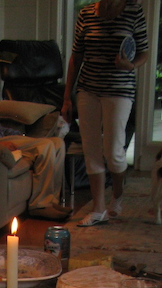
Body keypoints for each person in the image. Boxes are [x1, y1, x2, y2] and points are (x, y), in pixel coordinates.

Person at [61, 0, 149, 226]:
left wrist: (131, 65)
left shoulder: (133, 10)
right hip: (87, 89)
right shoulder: (86, 14)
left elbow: (144, 52)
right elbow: (76, 57)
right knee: (91, 149)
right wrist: (67, 96)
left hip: (119, 90)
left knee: (113, 152)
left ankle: (117, 194)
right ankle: (98, 208)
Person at [0, 74, 70, 222]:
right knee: (45, 146)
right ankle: (40, 205)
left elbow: (0, 128)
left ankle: (51, 201)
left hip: (5, 139)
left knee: (57, 143)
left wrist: (23, 136)